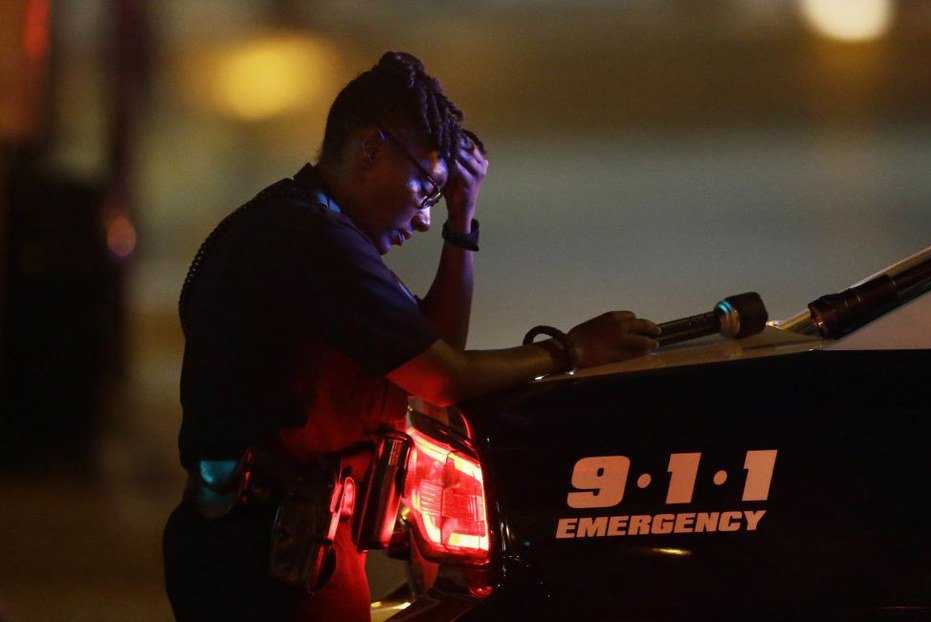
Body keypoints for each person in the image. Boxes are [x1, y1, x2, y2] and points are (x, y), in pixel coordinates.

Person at [163, 51, 661, 621]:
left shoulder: (305, 226)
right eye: (425, 189)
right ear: (371, 150)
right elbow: (445, 377)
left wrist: (461, 220)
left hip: (269, 549)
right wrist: (570, 349)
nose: (424, 218)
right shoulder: (309, 242)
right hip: (266, 567)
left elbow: (430, 346)